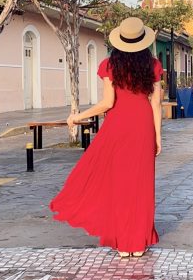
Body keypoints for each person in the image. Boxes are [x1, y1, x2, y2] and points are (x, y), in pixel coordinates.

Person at [50, 17, 163, 259]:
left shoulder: (109, 66)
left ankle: (123, 243)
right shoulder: (153, 66)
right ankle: (138, 243)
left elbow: (107, 103)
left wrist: (78, 116)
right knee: (141, 183)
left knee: (120, 183)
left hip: (118, 126)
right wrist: (158, 137)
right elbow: (156, 103)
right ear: (143, 41)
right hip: (143, 126)